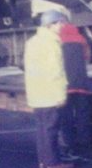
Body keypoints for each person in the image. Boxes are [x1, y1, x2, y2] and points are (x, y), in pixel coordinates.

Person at [24, 9, 74, 168]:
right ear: (51, 24)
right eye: (60, 23)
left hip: (37, 94)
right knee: (51, 131)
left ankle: (44, 162)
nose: (62, 27)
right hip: (50, 94)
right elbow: (56, 71)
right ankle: (54, 164)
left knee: (42, 131)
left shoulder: (32, 41)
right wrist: (61, 95)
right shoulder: (52, 44)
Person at [58, 22, 91, 158]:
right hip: (81, 84)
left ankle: (69, 145)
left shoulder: (58, 42)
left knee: (66, 117)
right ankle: (84, 144)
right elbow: (87, 57)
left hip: (66, 86)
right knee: (82, 115)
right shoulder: (82, 40)